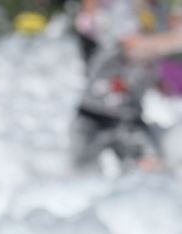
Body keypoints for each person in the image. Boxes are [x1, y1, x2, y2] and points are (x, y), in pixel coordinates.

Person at [71, 0, 182, 168]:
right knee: (79, 181)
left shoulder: (159, 11)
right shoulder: (118, 9)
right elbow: (133, 46)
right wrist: (175, 39)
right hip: (93, 116)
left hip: (131, 119)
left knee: (155, 175)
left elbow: (151, 60)